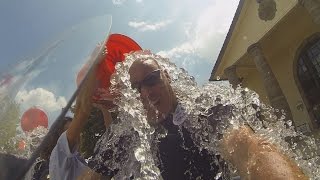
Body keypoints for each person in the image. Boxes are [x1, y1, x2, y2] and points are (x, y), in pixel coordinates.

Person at [50, 45, 308, 179]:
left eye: (151, 80)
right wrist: (93, 74)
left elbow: (248, 148)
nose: (146, 93)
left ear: (168, 77)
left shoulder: (205, 110)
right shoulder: (128, 138)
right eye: (136, 87)